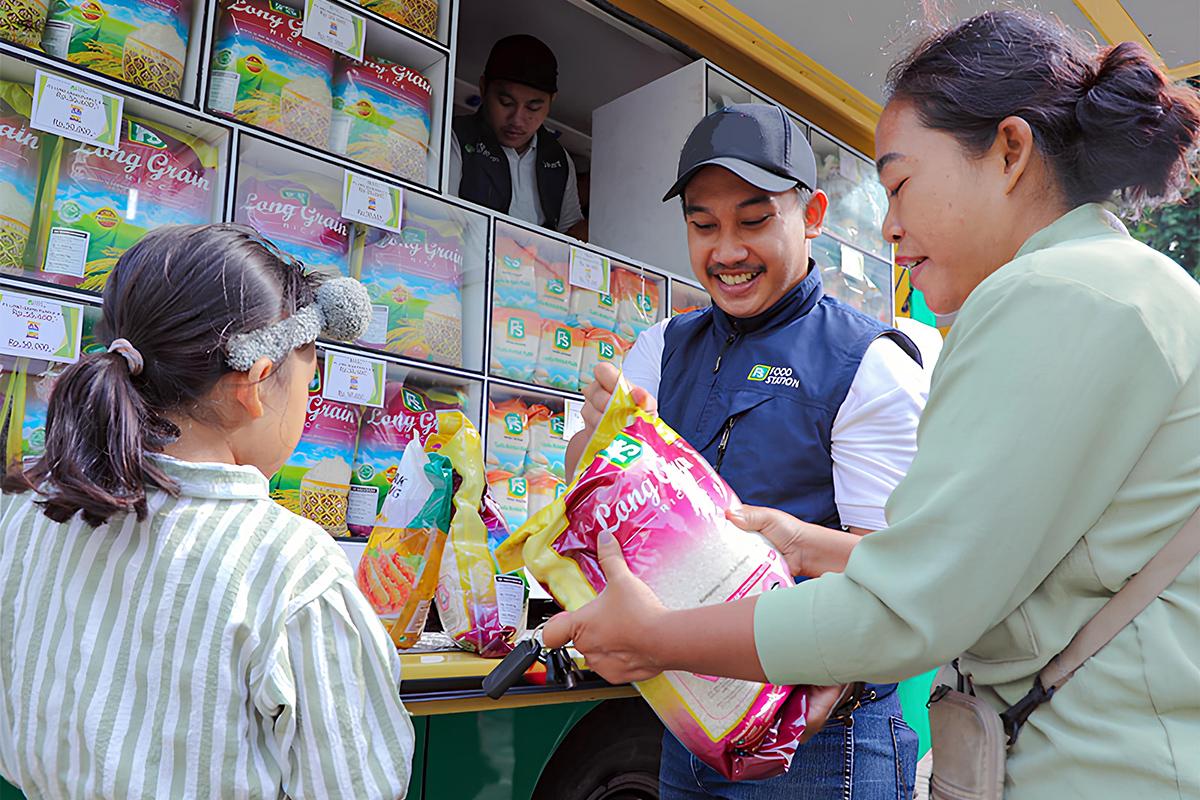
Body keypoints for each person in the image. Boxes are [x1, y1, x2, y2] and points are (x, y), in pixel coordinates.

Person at [546, 10, 1200, 799]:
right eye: (702, 224)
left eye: (899, 185)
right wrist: (804, 544)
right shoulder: (1113, 285)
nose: (889, 226)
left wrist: (657, 638)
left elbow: (905, 607)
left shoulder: (1048, 296)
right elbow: (971, 568)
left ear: (1010, 152)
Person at [564, 103, 930, 799]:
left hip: (818, 739)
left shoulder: (868, 364)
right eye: (704, 226)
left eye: (755, 221)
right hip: (690, 723)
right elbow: (592, 497)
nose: (727, 251)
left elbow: (896, 570)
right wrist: (598, 437)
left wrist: (830, 664)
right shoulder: (664, 346)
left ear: (812, 215)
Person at [0, 224, 414, 799]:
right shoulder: (291, 565)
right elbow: (356, 785)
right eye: (309, 382)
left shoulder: (25, 509)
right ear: (256, 383)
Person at [450, 34, 586, 239]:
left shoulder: (558, 159)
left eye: (533, 107)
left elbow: (569, 234)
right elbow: (443, 217)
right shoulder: (457, 136)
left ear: (551, 101)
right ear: (483, 88)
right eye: (506, 103)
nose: (517, 120)